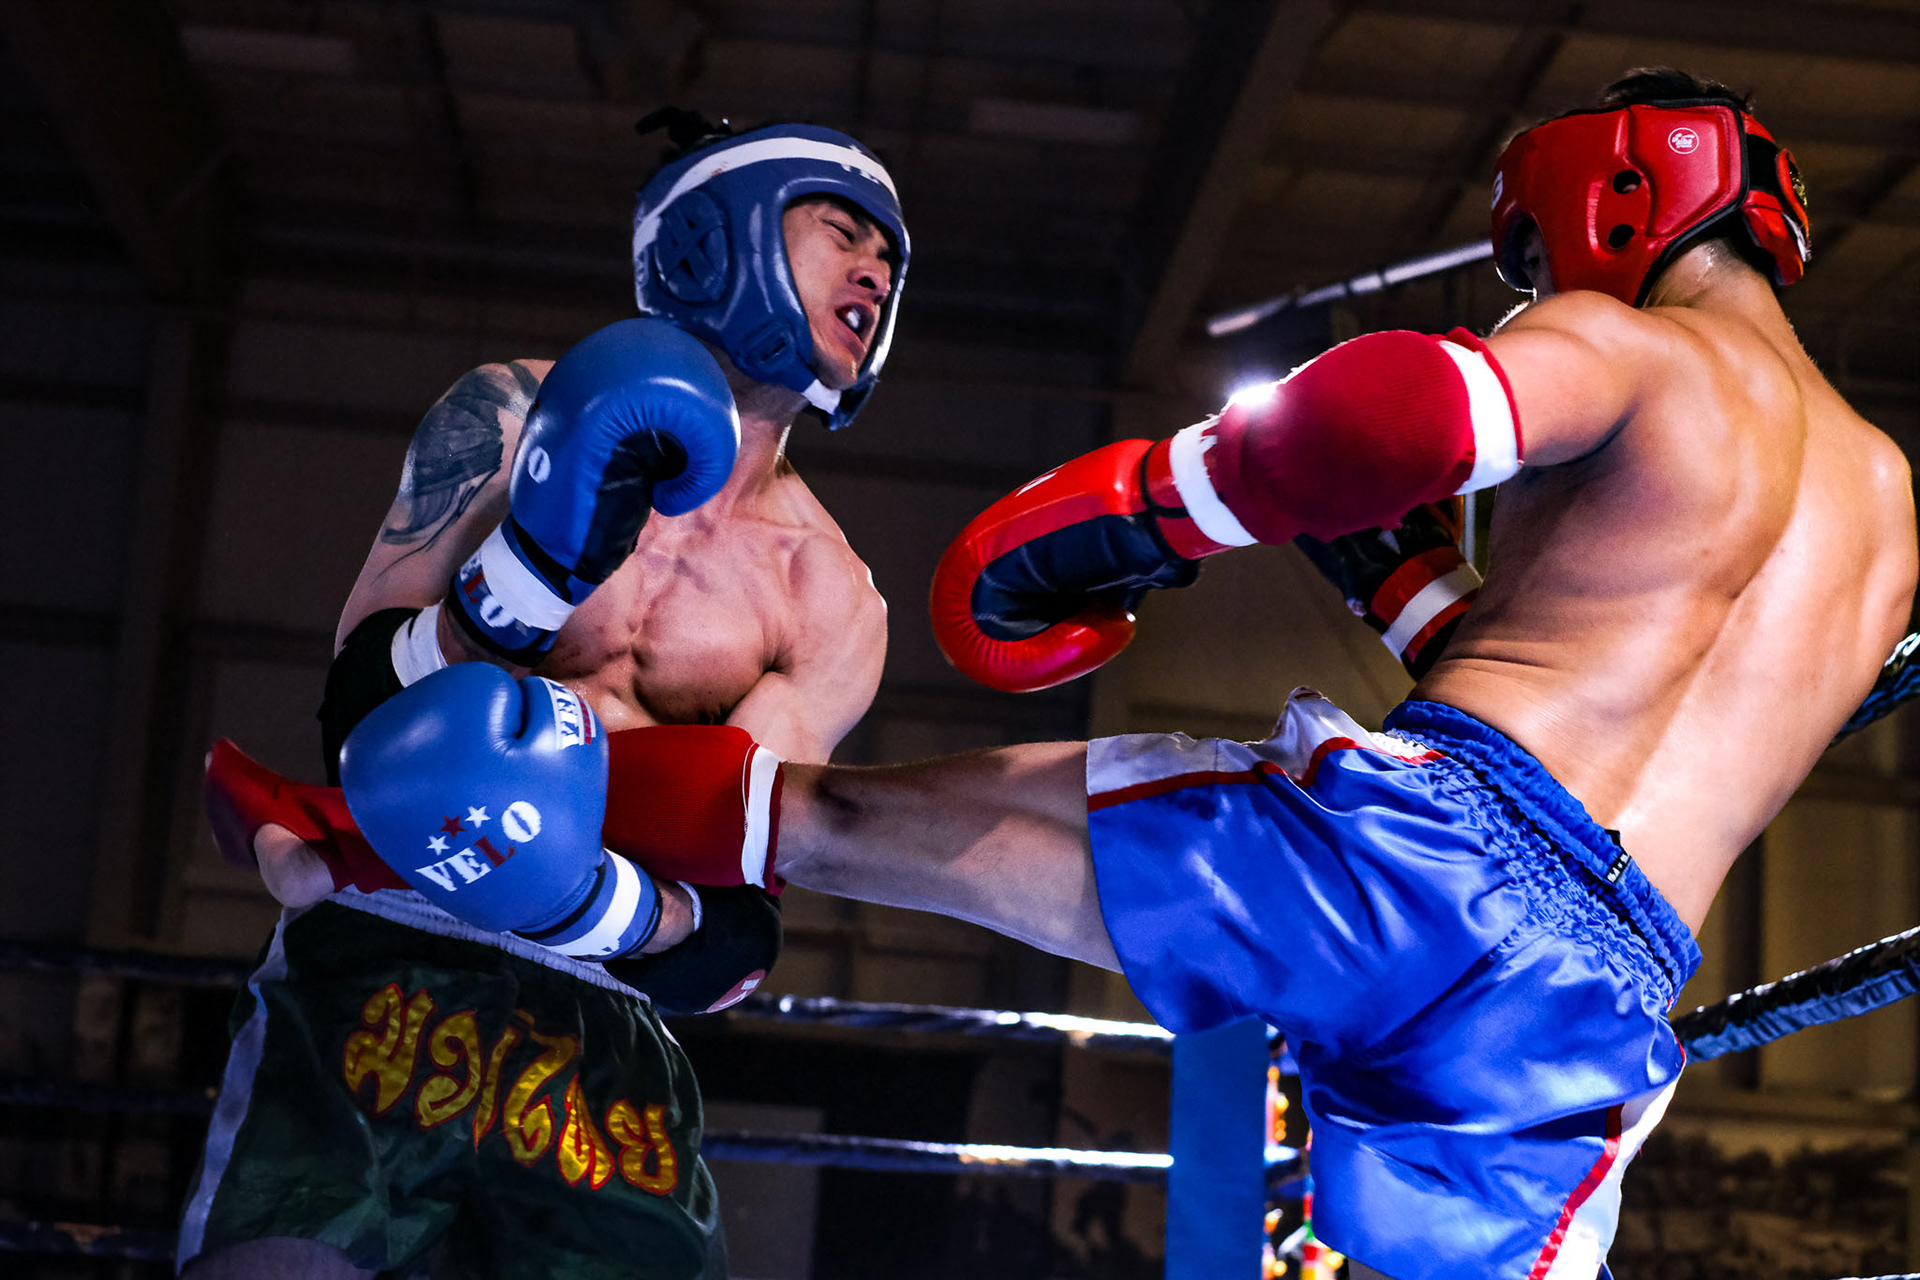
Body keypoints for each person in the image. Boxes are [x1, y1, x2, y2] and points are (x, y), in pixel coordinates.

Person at [215, 70, 1916, 1278]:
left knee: (834, 819)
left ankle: (416, 830)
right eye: (838, 232)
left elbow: (1395, 412)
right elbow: (1602, 667)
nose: (873, 275)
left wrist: (1158, 506)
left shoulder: (1624, 345)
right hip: (1601, 1004)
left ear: (1610, 195)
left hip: (1415, 857)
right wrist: (1401, 585)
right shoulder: (1888, 514)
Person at [179, 110, 905, 1280]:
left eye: (888, 256)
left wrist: (582, 899)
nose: (874, 270)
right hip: (389, 943)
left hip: (600, 1020)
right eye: (841, 231)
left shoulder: (832, 598)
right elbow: (359, 701)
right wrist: (523, 576)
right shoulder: (513, 413)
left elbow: (729, 921)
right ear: (722, 236)